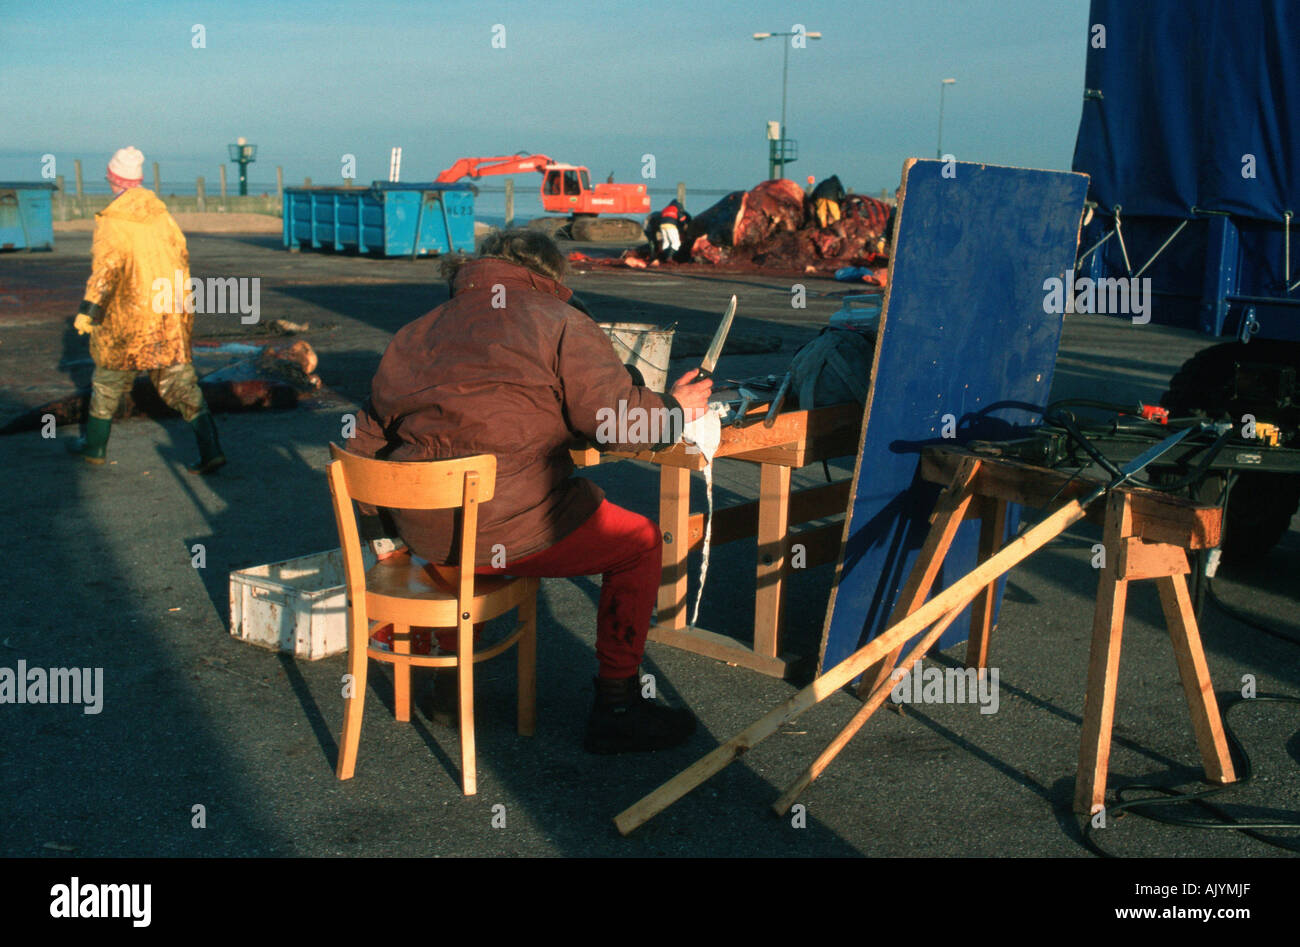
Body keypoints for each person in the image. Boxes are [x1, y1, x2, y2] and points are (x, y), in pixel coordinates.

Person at [348, 229, 714, 753]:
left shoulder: (413, 332)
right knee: (640, 541)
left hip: (428, 528)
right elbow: (613, 423)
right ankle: (618, 704)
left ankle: (451, 688)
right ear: (550, 275)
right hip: (508, 524)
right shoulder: (561, 321)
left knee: (460, 535)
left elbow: (361, 442)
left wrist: (385, 537)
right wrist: (675, 408)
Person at [68, 146, 225, 473]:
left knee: (107, 383)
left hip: (128, 319)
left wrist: (89, 309)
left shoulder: (113, 221)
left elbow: (106, 270)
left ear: (114, 178)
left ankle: (95, 447)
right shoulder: (163, 217)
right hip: (167, 313)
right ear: (138, 180)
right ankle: (211, 449)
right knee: (181, 385)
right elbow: (181, 260)